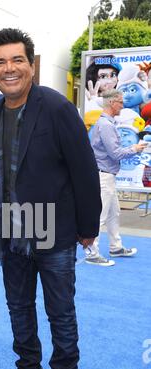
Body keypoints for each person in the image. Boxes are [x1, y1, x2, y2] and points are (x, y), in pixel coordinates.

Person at [0, 28, 102, 369]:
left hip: (54, 230)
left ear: (31, 65)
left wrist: (88, 226)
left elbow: (84, 168)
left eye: (16, 60)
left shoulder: (56, 107)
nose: (9, 68)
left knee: (60, 312)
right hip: (9, 230)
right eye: (0, 62)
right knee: (18, 307)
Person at [85, 89, 147, 267]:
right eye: (120, 101)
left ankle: (115, 246)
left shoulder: (106, 123)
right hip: (104, 176)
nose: (123, 104)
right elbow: (115, 153)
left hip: (106, 176)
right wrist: (134, 149)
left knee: (113, 213)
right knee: (101, 215)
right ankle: (91, 252)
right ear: (112, 103)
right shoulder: (106, 125)